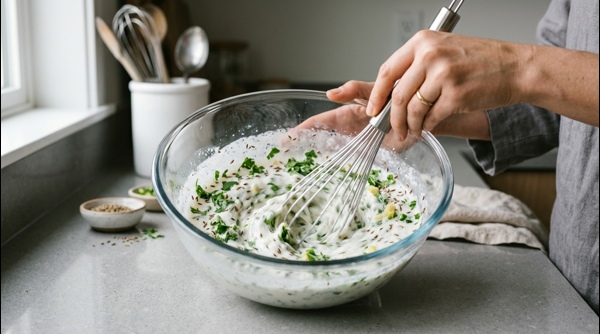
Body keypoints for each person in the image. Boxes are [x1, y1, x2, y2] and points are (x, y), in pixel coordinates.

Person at [309, 0, 599, 314]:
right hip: (573, 275)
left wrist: (518, 67)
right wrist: (415, 114)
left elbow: (537, 75)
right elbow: (555, 93)